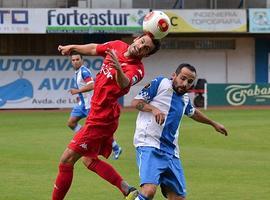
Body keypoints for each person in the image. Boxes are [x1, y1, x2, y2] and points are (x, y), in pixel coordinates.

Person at [52, 34, 161, 200]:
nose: (141, 47)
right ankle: (127, 189)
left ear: (146, 55)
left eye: (146, 49)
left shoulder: (137, 69)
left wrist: (118, 68)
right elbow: (94, 48)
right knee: (88, 160)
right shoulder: (117, 45)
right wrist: (72, 47)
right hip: (100, 113)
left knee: (66, 160)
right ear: (136, 39)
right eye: (142, 42)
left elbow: (125, 83)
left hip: (102, 119)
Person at [131, 63, 228, 200]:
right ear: (174, 75)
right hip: (149, 144)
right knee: (149, 191)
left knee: (178, 198)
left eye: (189, 81)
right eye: (182, 78)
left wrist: (213, 123)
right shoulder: (161, 83)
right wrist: (153, 109)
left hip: (171, 152)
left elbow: (193, 113)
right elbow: (135, 102)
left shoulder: (185, 98)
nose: (185, 83)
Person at [68, 51, 122, 159]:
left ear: (82, 60)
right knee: (71, 123)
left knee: (100, 131)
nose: (75, 62)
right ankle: (85, 136)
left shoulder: (84, 72)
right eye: (73, 60)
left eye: (77, 59)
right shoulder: (77, 72)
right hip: (82, 104)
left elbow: (92, 85)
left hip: (91, 105)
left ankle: (116, 148)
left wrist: (78, 91)